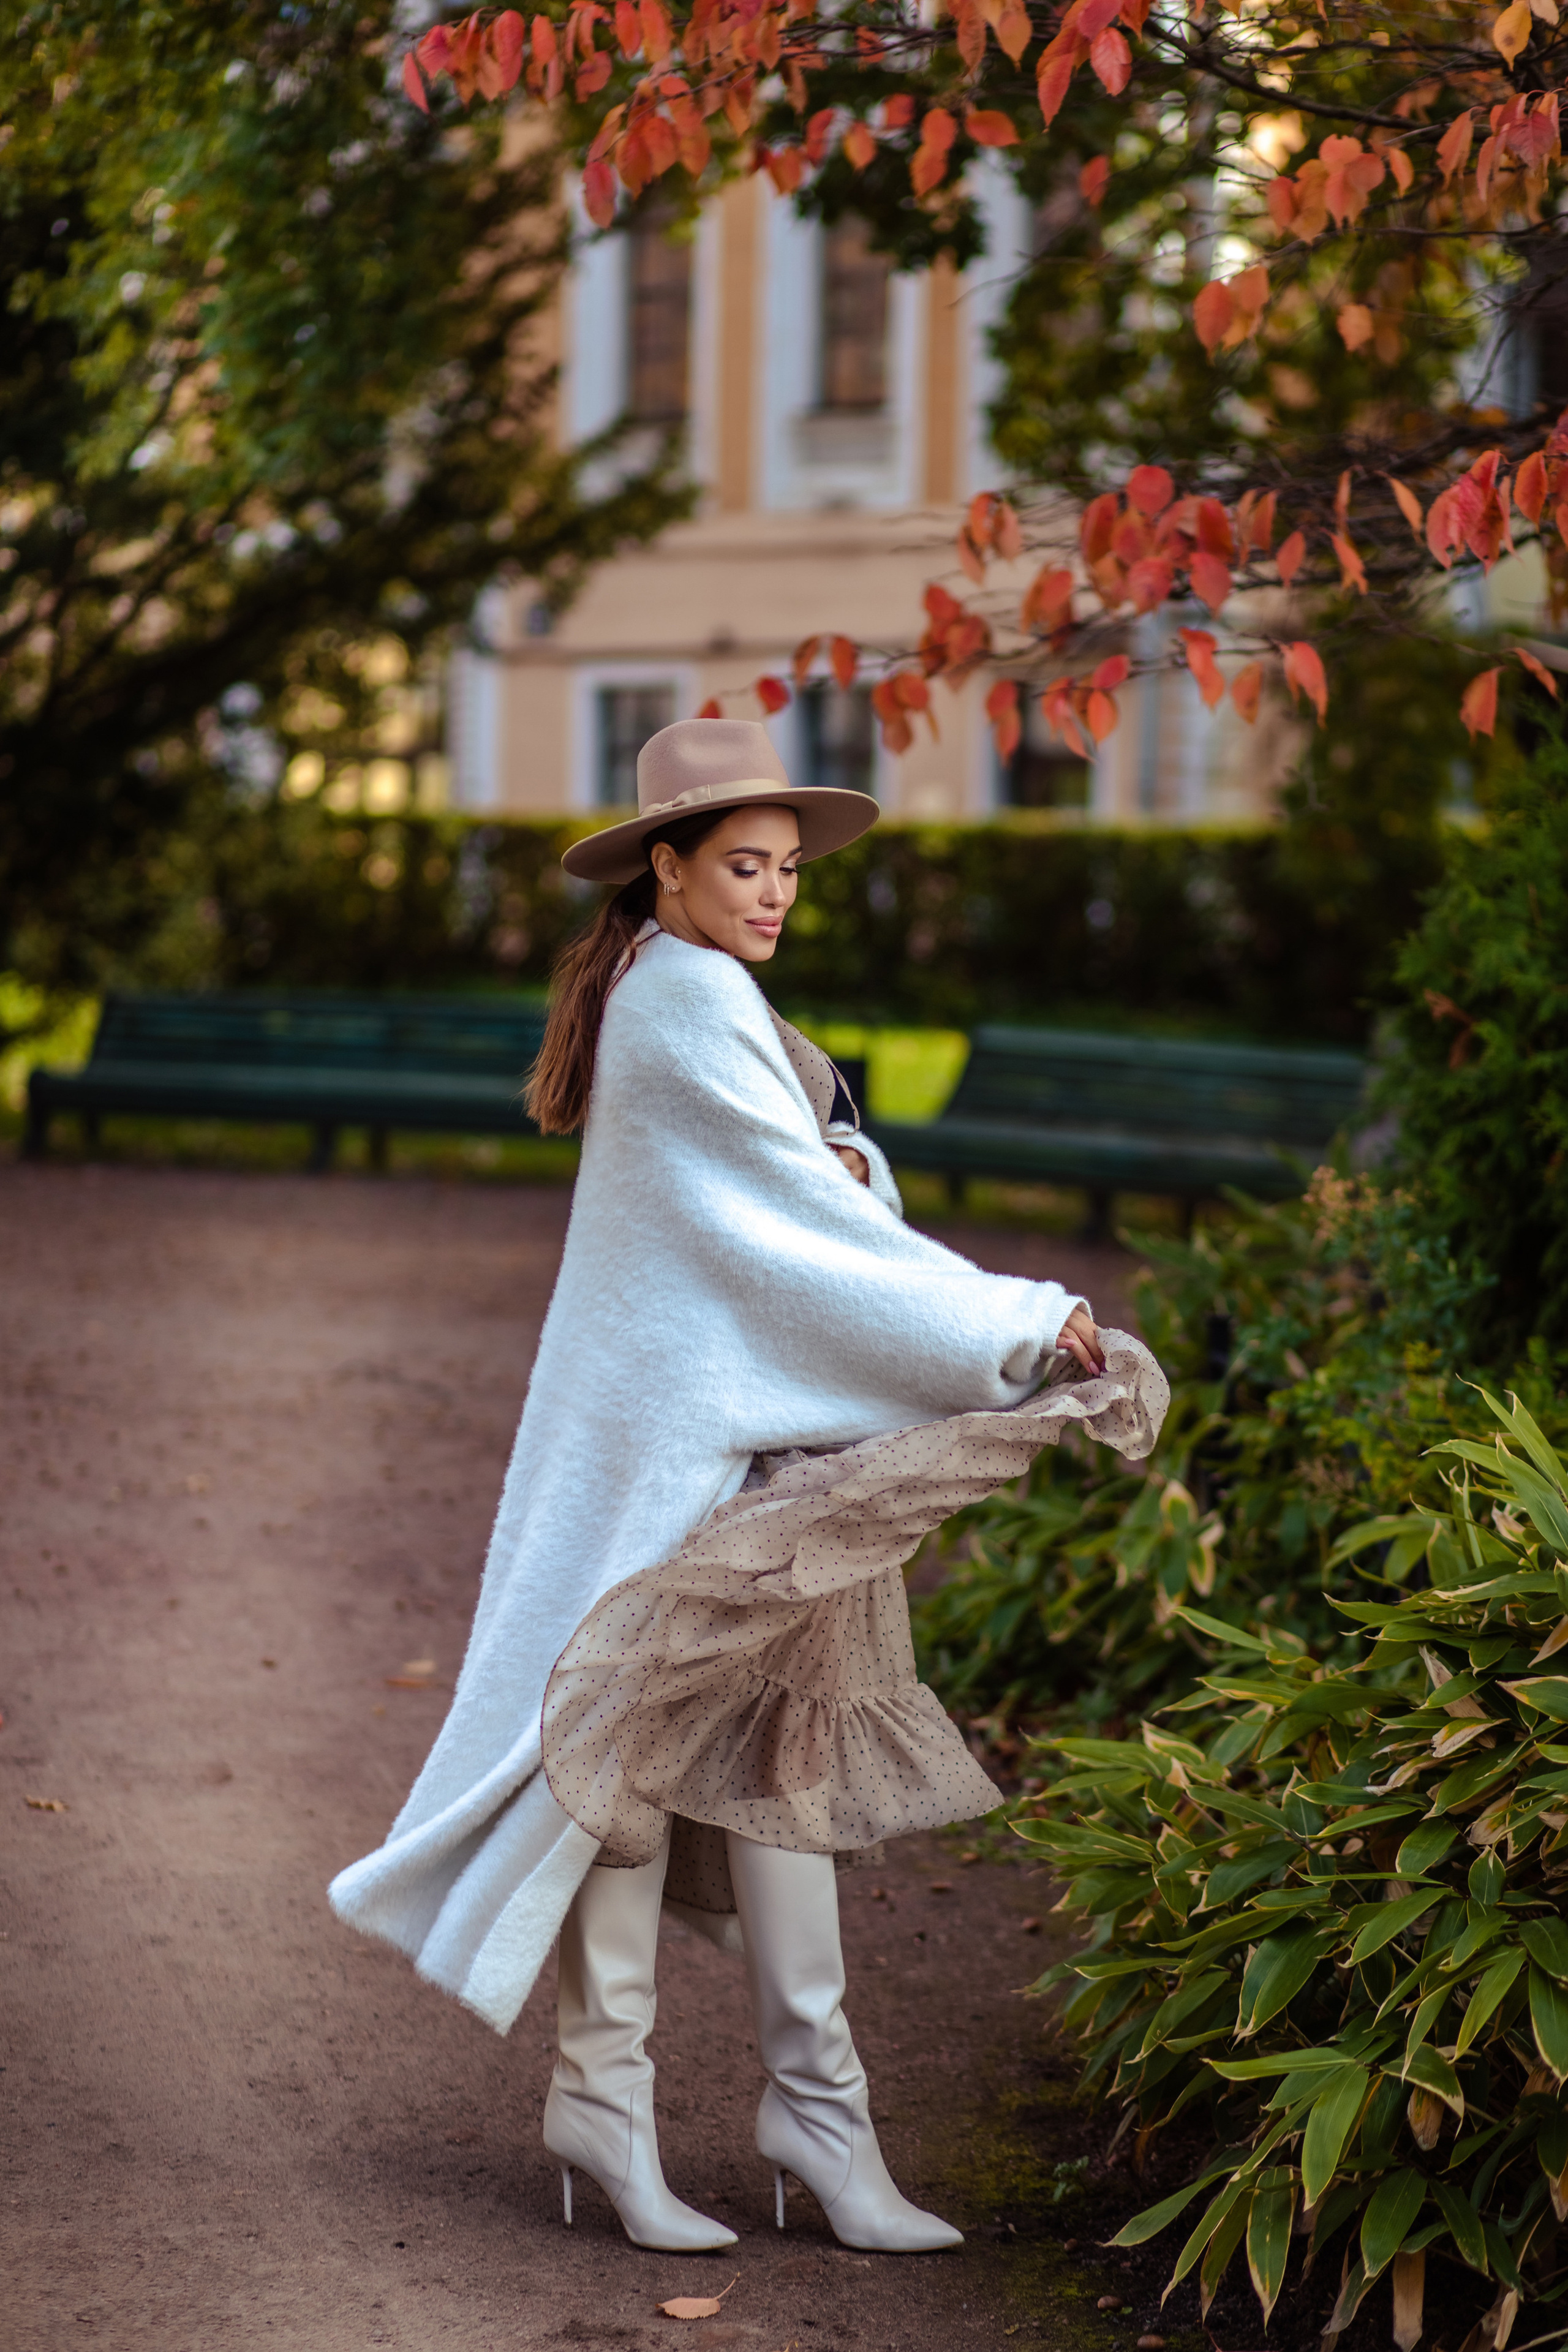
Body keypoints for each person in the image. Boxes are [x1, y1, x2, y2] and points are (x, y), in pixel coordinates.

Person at [329, 718, 1166, 2258]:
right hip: (695, 1457)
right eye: (742, 866)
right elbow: (794, 1234)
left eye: (786, 869)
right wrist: (1010, 1321)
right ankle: (621, 2104)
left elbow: (825, 1195)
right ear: (667, 867)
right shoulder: (685, 1001)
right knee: (629, 1769)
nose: (774, 895)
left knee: (771, 1749)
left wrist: (859, 1192)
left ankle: (810, 2120)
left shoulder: (694, 996)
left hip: (748, 1448)